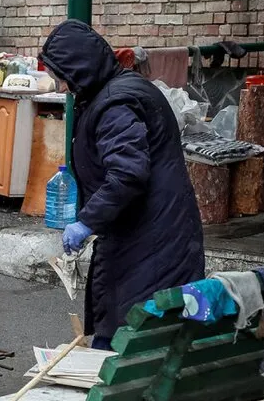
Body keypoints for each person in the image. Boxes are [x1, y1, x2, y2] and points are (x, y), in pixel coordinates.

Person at [40, 20, 205, 354]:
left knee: (127, 334)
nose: (60, 88)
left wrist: (87, 221)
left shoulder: (115, 103)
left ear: (80, 69)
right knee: (130, 326)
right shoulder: (116, 90)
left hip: (151, 239)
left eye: (61, 77)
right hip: (151, 232)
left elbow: (128, 173)